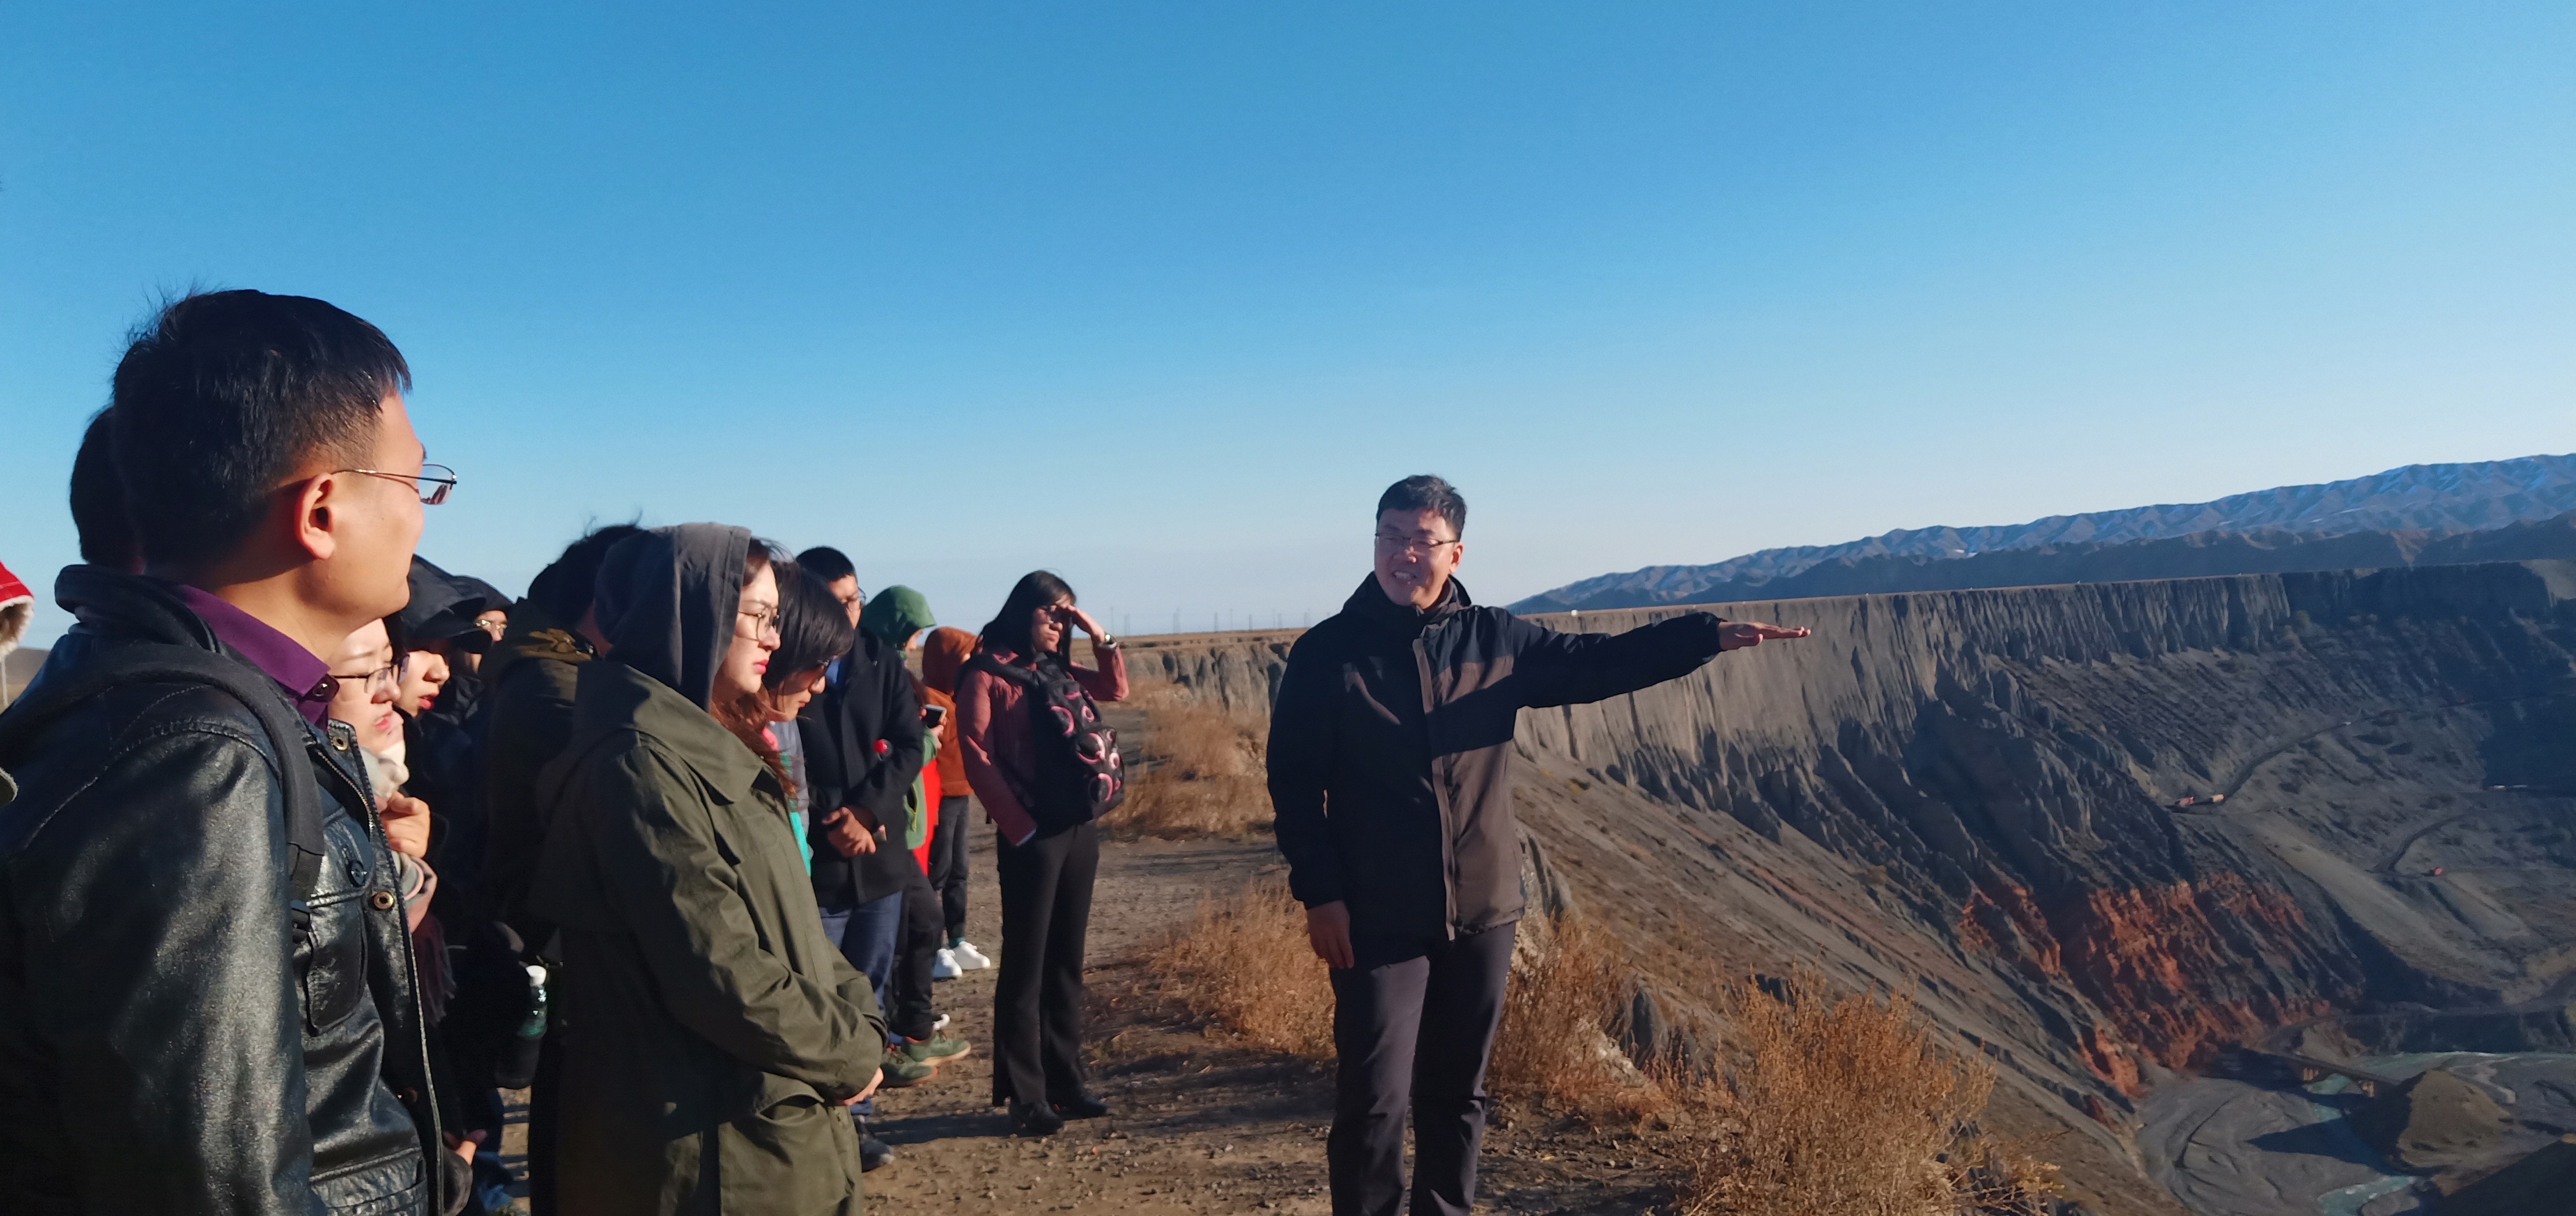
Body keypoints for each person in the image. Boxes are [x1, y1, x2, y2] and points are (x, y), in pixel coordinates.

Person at [0, 289, 455, 1213]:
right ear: (321, 509)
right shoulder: (197, 754)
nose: (422, 516)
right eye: (415, 483)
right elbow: (213, 1180)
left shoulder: (145, 685)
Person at [1269, 475, 1812, 1216]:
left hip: (1484, 911)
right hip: (1375, 916)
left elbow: (1597, 662)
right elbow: (1295, 784)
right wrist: (1321, 893)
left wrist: (1704, 636)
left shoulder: (1496, 639)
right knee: (1373, 1098)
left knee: (1458, 1093)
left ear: (1455, 553)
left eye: (1421, 540)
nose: (1403, 554)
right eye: (1389, 537)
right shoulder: (1327, 655)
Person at [529, 524, 884, 1216]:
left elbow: (792, 926)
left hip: (765, 1118)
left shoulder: (708, 747)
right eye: (758, 616)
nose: (774, 639)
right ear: (693, 614)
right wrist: (848, 1051)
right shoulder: (639, 767)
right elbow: (719, 971)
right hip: (715, 1148)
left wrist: (860, 1015)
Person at [477, 522, 642, 1215]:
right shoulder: (560, 688)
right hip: (570, 944)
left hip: (558, 935)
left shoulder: (554, 669)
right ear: (608, 603)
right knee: (580, 1138)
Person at [955, 570, 1127, 1137]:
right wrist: (1021, 829)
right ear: (1022, 610)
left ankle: (1065, 1079)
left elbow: (1115, 690)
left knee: (1066, 959)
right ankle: (1025, 1094)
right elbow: (977, 755)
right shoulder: (984, 673)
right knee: (1026, 966)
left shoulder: (1053, 668)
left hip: (1077, 828)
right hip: (1031, 833)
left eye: (1066, 614)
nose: (1058, 623)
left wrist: (1097, 635)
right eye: (1051, 612)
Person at [801, 570, 971, 1101]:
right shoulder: (784, 667)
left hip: (879, 853)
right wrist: (836, 819)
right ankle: (828, 1117)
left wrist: (867, 812)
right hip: (819, 858)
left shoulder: (881, 662)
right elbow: (785, 759)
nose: (848, 612)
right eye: (835, 602)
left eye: (855, 600)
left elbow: (908, 744)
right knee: (818, 995)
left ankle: (861, 1116)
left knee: (870, 988)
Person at [920, 626, 993, 975]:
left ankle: (958, 938)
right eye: (964, 659)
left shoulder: (961, 696)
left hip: (962, 793)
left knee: (959, 871)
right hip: (939, 797)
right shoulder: (928, 698)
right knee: (938, 870)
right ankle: (933, 946)